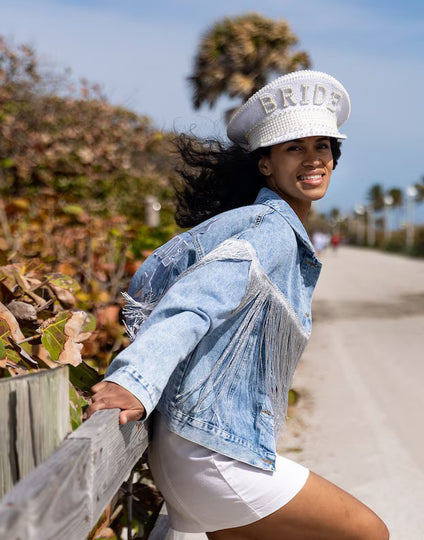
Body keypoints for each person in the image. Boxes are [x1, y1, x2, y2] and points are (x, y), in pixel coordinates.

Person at [87, 70, 389, 540]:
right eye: (295, 148)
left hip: (190, 453)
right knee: (368, 532)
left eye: (322, 146)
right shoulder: (271, 230)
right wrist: (133, 380)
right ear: (265, 163)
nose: (314, 159)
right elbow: (194, 300)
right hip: (209, 456)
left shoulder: (258, 221)